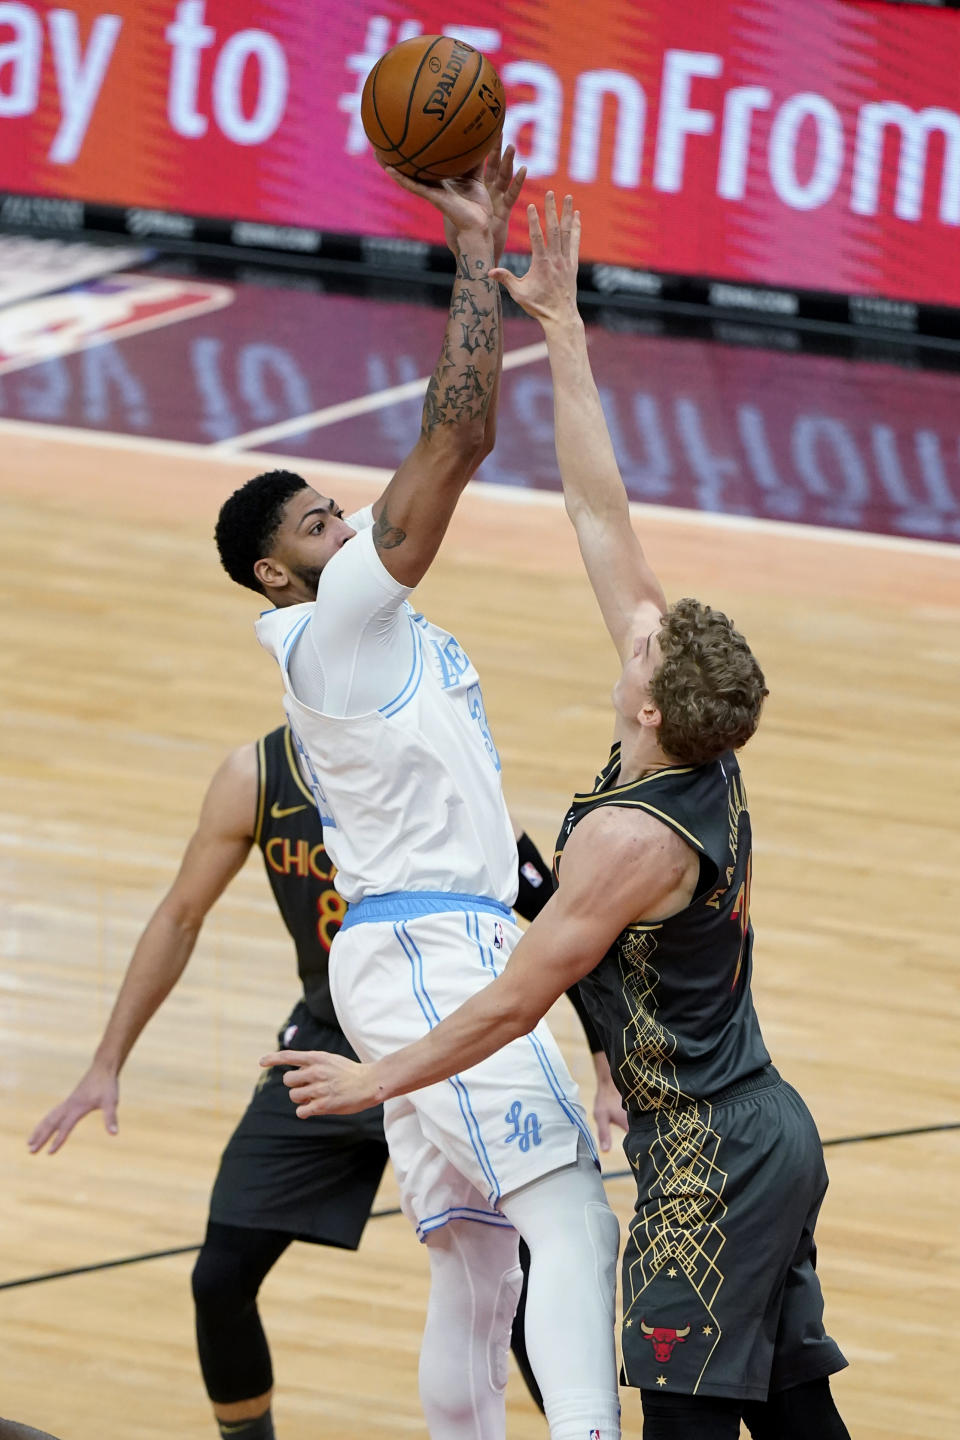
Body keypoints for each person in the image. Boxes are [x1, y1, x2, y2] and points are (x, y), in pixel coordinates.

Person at [267, 195, 852, 1440]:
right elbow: (601, 515)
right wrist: (564, 329)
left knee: (681, 1419)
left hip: (707, 1156)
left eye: (642, 650)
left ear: (650, 706)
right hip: (766, 1122)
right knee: (800, 1416)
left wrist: (380, 1077)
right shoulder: (700, 754)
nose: (633, 635)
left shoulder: (627, 841)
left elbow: (510, 1001)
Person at [213, 158, 622, 1440]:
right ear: (280, 578)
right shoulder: (333, 623)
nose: (347, 525)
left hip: (420, 943)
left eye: (338, 508)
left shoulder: (367, 625)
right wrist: (472, 257)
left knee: (476, 1263)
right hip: (436, 946)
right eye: (319, 525)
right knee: (570, 1218)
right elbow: (461, 432)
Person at [28, 721, 623, 1440]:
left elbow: (567, 921)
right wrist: (106, 1062)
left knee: (522, 1285)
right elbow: (180, 916)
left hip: (441, 1038)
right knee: (219, 1277)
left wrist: (605, 1065)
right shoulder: (255, 775)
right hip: (322, 1046)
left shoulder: (426, 758)